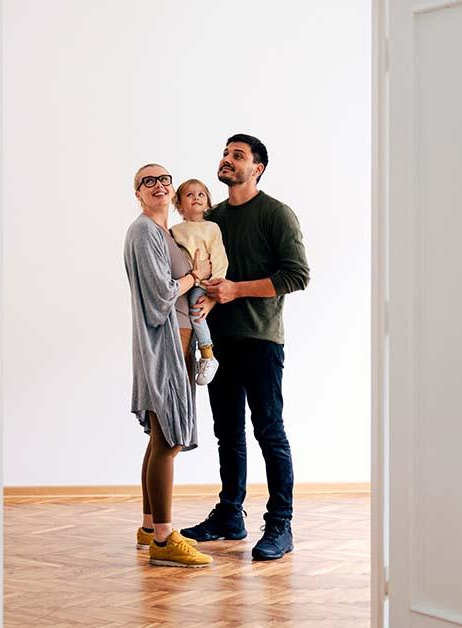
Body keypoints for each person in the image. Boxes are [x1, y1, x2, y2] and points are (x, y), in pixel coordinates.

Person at [180, 134, 311, 561]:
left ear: (257, 168)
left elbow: (296, 275)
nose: (227, 159)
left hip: (260, 341)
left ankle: (280, 525)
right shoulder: (211, 218)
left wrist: (236, 290)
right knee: (227, 434)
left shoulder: (276, 214)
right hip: (218, 344)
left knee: (269, 432)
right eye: (225, 153)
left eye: (238, 155)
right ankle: (230, 516)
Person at [123, 163, 213, 568]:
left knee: (160, 438)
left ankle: (148, 527)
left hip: (176, 346)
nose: (157, 185)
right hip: (163, 347)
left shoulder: (165, 234)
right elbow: (160, 296)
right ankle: (163, 538)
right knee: (169, 441)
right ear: (137, 192)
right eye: (148, 181)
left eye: (164, 180)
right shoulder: (143, 232)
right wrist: (196, 277)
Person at [169, 178, 228, 385]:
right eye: (189, 195)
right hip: (183, 283)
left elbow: (220, 257)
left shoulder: (212, 228)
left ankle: (208, 354)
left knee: (196, 313)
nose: (196, 197)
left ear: (208, 203)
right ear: (178, 205)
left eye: (201, 194)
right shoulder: (175, 230)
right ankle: (194, 353)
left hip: (203, 284)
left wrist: (215, 286)